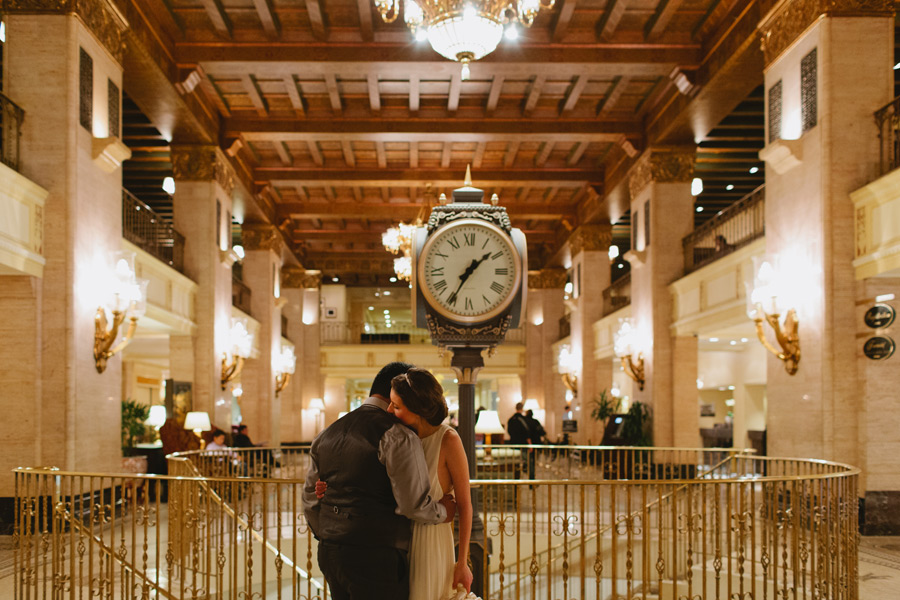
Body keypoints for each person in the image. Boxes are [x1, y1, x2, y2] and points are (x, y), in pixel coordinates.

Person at [301, 362, 456, 600]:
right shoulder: (397, 435)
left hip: (330, 552)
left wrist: (328, 534)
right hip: (375, 554)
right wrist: (444, 511)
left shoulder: (325, 434)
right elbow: (413, 504)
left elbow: (310, 498)